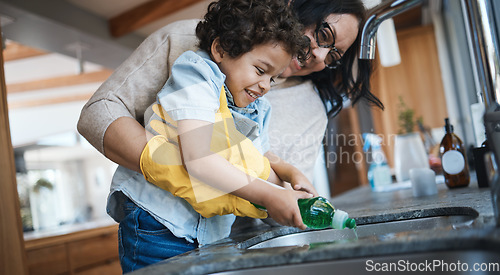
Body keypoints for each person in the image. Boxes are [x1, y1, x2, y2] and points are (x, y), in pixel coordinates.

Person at [101, 0, 318, 272]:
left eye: (273, 78)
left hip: (209, 234)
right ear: (221, 49)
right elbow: (198, 158)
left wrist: (289, 171)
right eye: (261, 70)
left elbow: (257, 157)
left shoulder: (257, 107)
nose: (265, 85)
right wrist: (270, 196)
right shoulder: (197, 74)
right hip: (159, 225)